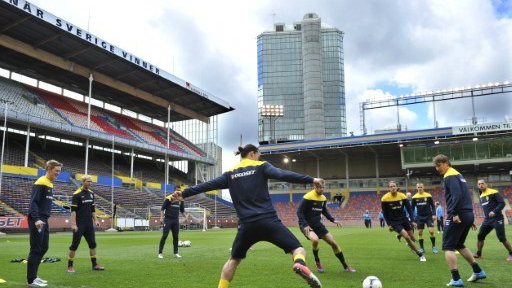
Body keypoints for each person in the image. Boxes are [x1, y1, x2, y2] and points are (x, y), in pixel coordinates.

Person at [171, 144, 323, 288]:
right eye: (258, 155)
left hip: (246, 226)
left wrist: (184, 193)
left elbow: (207, 185)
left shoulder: (230, 174)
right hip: (269, 221)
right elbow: (283, 174)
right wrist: (311, 179)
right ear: (252, 154)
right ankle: (299, 264)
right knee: (298, 250)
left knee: (233, 260)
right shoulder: (262, 166)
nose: (259, 158)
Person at [433, 154, 486, 287]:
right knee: (459, 244)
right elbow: (463, 195)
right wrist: (468, 217)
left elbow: (456, 195)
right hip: (467, 213)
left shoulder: (450, 175)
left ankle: (456, 279)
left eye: (438, 165)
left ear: (445, 163)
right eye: (436, 166)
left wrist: (454, 213)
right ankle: (478, 271)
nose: (437, 169)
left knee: (448, 246)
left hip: (458, 214)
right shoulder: (458, 175)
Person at [296, 184, 356, 274]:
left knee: (334, 244)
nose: (322, 189)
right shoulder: (308, 197)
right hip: (306, 225)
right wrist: (304, 225)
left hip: (318, 224)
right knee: (315, 240)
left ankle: (345, 266)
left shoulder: (323, 198)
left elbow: (324, 211)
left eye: (323, 187)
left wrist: (333, 220)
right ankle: (317, 262)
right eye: (320, 187)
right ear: (315, 187)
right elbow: (299, 212)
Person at [27, 160, 62, 287]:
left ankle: (34, 276)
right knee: (35, 249)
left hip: (44, 219)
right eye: (56, 171)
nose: (58, 173)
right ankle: (31, 280)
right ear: (49, 169)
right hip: (38, 219)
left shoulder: (50, 184)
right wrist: (36, 219)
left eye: (59, 171)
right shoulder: (41, 182)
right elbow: (33, 203)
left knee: (44, 247)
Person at [67, 175, 105, 273]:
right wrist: (73, 224)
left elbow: (92, 209)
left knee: (92, 244)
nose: (90, 183)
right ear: (83, 182)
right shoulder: (77, 194)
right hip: (79, 224)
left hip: (89, 224)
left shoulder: (92, 194)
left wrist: (95, 220)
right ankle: (70, 266)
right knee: (74, 245)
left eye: (91, 182)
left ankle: (95, 265)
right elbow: (73, 212)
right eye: (88, 181)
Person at [381, 181, 426, 262]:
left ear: (397, 187)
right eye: (391, 186)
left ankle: (411, 245)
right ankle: (420, 254)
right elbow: (385, 213)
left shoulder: (402, 196)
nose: (393, 188)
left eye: (394, 186)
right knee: (406, 237)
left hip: (404, 219)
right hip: (394, 222)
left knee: (412, 237)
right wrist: (389, 224)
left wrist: (412, 221)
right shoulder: (384, 198)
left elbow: (409, 209)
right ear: (389, 188)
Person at [473, 179, 512, 261]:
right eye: (479, 184)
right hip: (487, 220)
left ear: (486, 184)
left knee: (501, 238)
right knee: (480, 236)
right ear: (478, 186)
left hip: (497, 218)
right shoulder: (481, 195)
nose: (481, 185)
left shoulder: (493, 192)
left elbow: (502, 203)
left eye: (482, 183)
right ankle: (478, 254)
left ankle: (511, 253)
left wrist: (494, 211)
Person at [158, 187, 187, 259]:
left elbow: (182, 210)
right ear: (174, 191)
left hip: (175, 220)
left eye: (179, 191)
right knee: (164, 236)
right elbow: (162, 209)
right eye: (177, 191)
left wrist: (185, 217)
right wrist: (161, 218)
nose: (178, 192)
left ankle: (176, 253)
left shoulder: (181, 200)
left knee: (176, 237)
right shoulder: (169, 198)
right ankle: (160, 253)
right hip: (168, 219)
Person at [411, 183, 438, 254]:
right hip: (419, 217)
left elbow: (432, 205)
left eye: (421, 187)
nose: (420, 188)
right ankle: (422, 248)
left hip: (428, 216)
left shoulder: (428, 195)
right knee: (419, 233)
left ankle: (434, 247)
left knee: (431, 231)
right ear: (416, 188)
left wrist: (434, 214)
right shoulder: (414, 197)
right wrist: (413, 219)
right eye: (418, 187)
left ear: (423, 187)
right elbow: (412, 209)